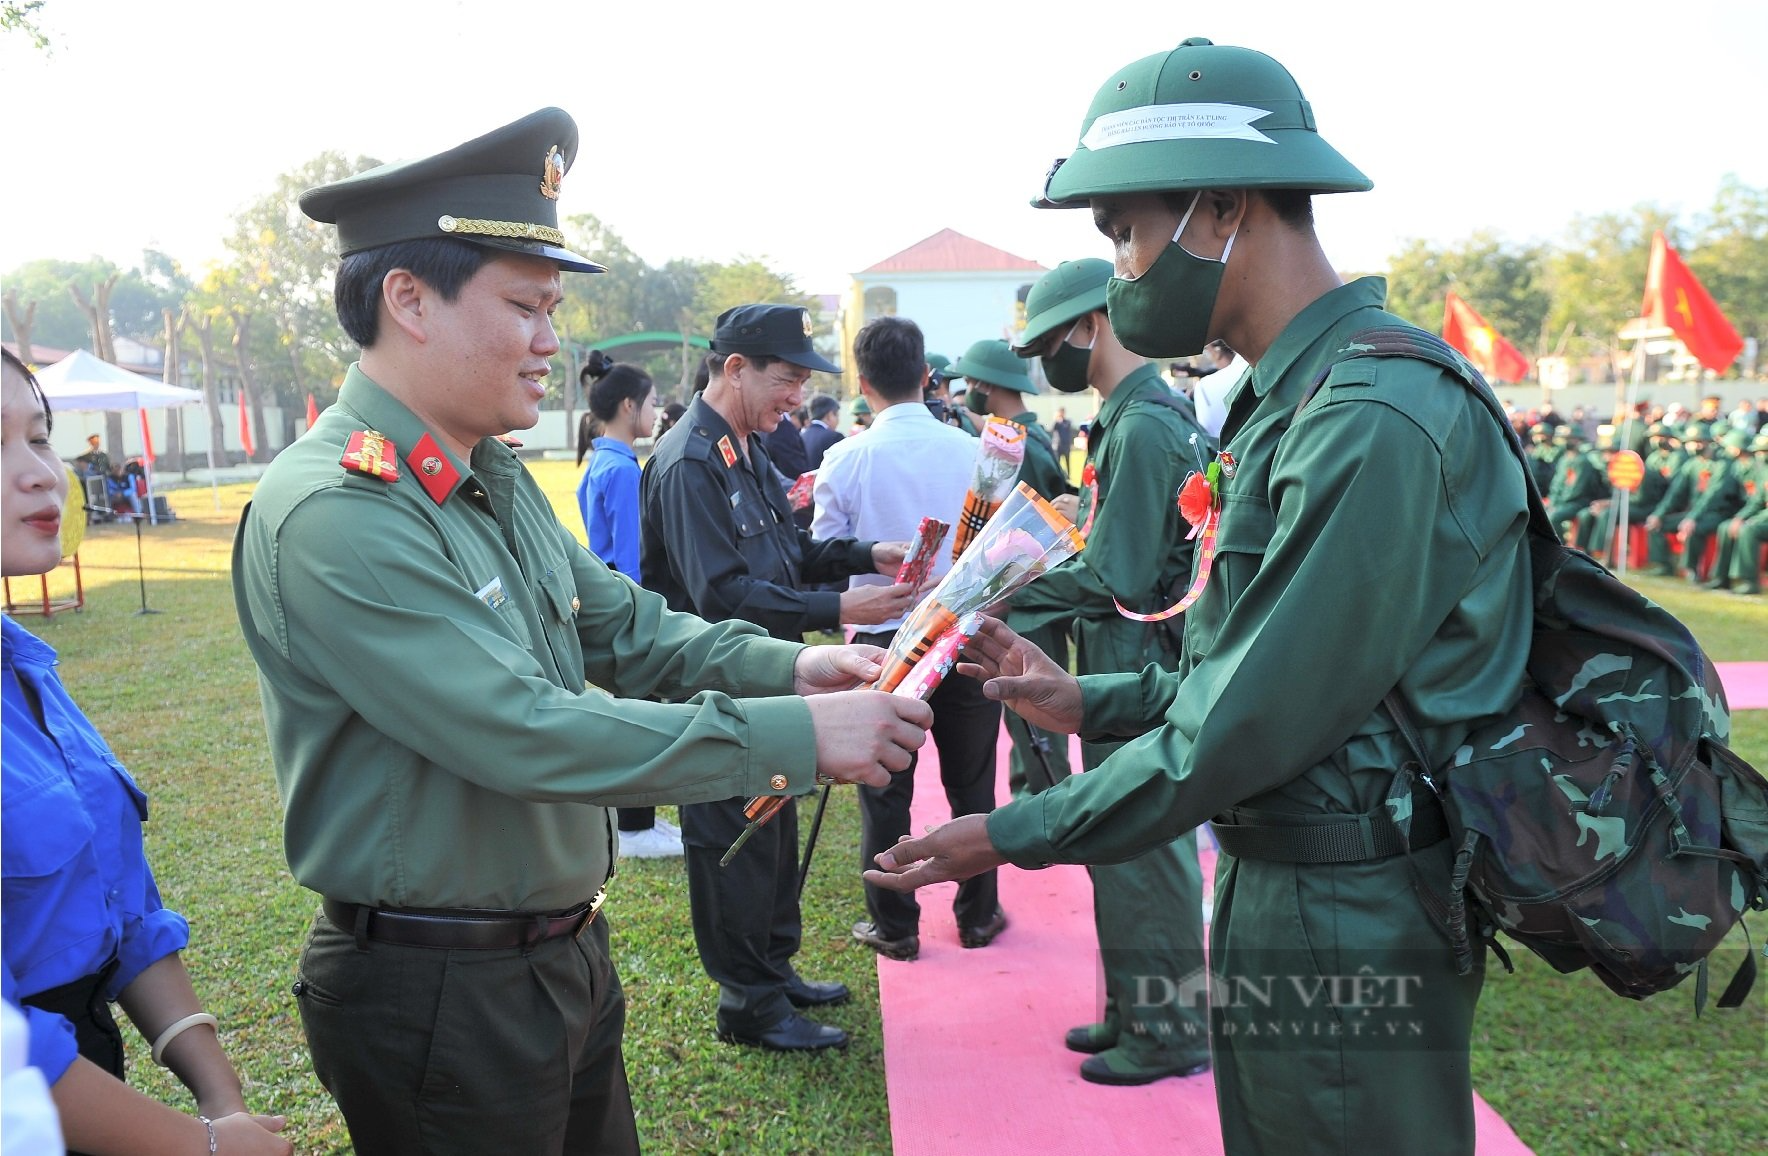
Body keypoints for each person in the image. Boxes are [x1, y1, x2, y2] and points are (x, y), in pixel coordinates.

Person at [864, 39, 1533, 1155]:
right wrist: (1092, 706)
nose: (1119, 272)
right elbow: (1239, 658)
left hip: (1350, 896)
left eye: (1123, 231)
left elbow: (1245, 722)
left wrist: (1010, 830)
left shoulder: (1366, 416)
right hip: (1300, 874)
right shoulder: (1295, 403)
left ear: (1221, 209)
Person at [232, 109, 931, 1154]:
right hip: (442, 989)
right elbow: (523, 729)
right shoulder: (339, 510)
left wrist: (794, 660)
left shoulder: (487, 474)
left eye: (552, 308)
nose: (553, 343)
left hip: (556, 951)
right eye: (525, 306)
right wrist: (793, 732)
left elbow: (628, 627)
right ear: (408, 300)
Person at [3, 348, 292, 1156]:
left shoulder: (25, 669)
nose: (40, 475)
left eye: (39, 437)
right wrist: (203, 1147)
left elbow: (124, 909)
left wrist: (222, 1103)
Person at [639, 304, 920, 1054]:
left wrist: (868, 554)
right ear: (736, 369)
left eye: (802, 381)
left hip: (773, 684)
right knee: (732, 840)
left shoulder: (743, 448)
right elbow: (720, 595)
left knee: (772, 827)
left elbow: (790, 550)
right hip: (720, 686)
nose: (796, 396)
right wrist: (840, 605)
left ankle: (774, 969)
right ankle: (748, 1003)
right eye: (787, 378)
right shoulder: (689, 461)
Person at [1004, 257, 1215, 1086]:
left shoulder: (1144, 425)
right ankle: (1138, 1008)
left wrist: (1006, 585)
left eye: (1050, 340)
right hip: (1129, 661)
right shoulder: (1135, 415)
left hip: (1141, 665)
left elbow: (1114, 577)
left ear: (1090, 327)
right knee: (1120, 843)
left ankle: (1167, 1033)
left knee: (1140, 850)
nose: (1044, 359)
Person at [813, 316, 1008, 963]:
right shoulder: (972, 451)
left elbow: (825, 555)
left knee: (885, 792)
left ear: (862, 383)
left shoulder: (845, 457)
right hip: (965, 636)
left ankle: (895, 925)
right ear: (927, 376)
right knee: (973, 783)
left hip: (885, 643)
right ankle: (978, 916)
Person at [946, 338, 1078, 800]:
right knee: (1030, 717)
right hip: (1031, 598)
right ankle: (1039, 798)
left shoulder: (1014, 447)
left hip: (1025, 599)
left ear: (984, 384)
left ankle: (1046, 808)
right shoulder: (1029, 436)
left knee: (1035, 719)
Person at [573, 352, 681, 860]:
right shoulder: (620, 469)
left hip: (609, 593)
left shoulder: (605, 461)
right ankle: (636, 828)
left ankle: (638, 823)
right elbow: (629, 551)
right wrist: (643, 614)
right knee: (641, 713)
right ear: (628, 405)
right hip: (623, 598)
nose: (657, 413)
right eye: (653, 403)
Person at [801, 393, 845, 471]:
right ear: (829, 415)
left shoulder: (801, 436)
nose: (838, 421)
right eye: (837, 415)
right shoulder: (835, 437)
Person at [1050, 406, 1076, 477]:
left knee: (1067, 461)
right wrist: (1056, 420)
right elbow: (1053, 429)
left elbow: (1067, 427)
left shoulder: (1067, 422)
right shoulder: (1056, 423)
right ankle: (1059, 475)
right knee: (1057, 462)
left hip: (1066, 445)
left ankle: (1068, 475)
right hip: (1058, 445)